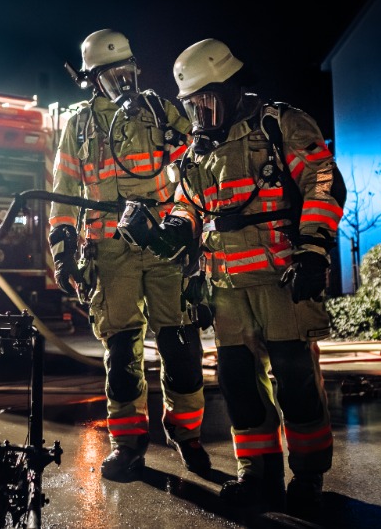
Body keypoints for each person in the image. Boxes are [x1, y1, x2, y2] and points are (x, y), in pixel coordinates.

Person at [143, 38, 344, 513]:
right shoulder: (196, 153)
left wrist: (313, 251)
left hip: (282, 281)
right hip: (226, 289)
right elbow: (188, 206)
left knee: (296, 383)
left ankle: (308, 477)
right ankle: (257, 474)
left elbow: (323, 182)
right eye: (193, 106)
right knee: (238, 385)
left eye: (207, 102)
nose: (201, 115)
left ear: (233, 88)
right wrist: (170, 228)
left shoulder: (280, 124)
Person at [48, 29, 210, 482]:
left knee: (180, 345)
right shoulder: (79, 125)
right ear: (91, 79)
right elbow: (63, 191)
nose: (123, 81)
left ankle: (188, 435)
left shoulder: (158, 110)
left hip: (162, 246)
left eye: (128, 71)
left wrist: (189, 226)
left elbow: (197, 163)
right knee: (121, 353)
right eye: (112, 74)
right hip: (109, 252)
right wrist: (62, 252)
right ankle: (128, 444)